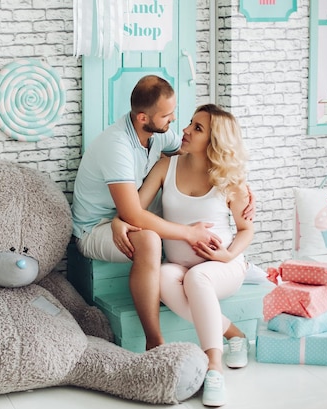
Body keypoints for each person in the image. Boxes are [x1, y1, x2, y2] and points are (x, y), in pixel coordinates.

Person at [71, 75, 254, 351]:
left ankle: (228, 308)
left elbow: (203, 155)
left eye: (176, 113)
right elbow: (133, 212)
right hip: (95, 227)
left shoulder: (159, 134)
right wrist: (188, 233)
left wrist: (240, 186)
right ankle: (154, 340)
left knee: (167, 198)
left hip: (124, 214)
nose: (176, 122)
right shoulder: (116, 146)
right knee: (150, 240)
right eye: (167, 115)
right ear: (144, 118)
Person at [113, 104, 253, 407]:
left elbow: (246, 230)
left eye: (197, 128)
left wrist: (227, 257)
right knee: (163, 276)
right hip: (179, 266)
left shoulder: (229, 180)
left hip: (222, 269)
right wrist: (117, 221)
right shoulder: (167, 166)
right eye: (191, 123)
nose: (186, 130)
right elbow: (134, 209)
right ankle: (233, 333)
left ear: (214, 141)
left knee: (198, 277)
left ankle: (213, 366)